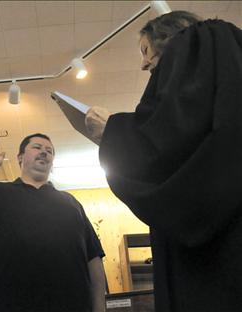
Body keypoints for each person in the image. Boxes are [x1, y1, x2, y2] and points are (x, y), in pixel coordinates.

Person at [82, 11, 242, 312]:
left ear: (172, 38)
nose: (144, 64)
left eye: (146, 51)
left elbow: (169, 142)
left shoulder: (199, 43)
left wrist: (113, 131)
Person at [0, 133, 106, 312]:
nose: (44, 152)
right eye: (37, 147)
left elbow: (93, 258)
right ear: (20, 157)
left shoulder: (71, 203)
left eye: (49, 151)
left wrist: (99, 308)